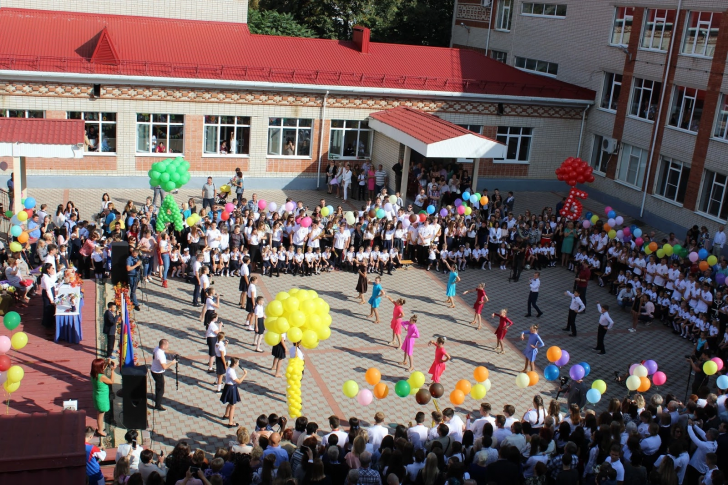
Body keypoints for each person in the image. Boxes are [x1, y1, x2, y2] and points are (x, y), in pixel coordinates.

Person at [90, 358, 115, 437]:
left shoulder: (93, 374)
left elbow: (102, 367)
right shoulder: (101, 377)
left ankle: (100, 428)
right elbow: (111, 381)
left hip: (97, 396)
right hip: (102, 398)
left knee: (99, 414)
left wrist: (107, 362)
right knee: (101, 415)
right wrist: (112, 371)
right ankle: (100, 431)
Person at [221, 357, 248, 428]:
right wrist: (245, 374)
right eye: (238, 362)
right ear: (235, 364)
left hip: (228, 387)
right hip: (231, 388)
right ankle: (230, 422)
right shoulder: (231, 372)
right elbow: (239, 381)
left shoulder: (229, 368)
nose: (239, 364)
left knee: (230, 402)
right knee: (233, 405)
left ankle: (226, 415)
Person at [151, 339, 177, 411]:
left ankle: (157, 398)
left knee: (158, 386)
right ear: (163, 346)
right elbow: (164, 367)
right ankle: (157, 405)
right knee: (161, 389)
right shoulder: (160, 355)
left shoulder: (157, 348)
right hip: (157, 373)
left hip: (154, 369)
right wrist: (172, 363)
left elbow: (166, 351)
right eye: (167, 345)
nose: (168, 346)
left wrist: (173, 352)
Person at [40, 263, 57, 329]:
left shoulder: (48, 276)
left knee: (51, 308)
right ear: (47, 269)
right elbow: (48, 289)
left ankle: (50, 322)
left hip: (50, 291)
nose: (53, 269)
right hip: (47, 293)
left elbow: (52, 283)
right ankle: (47, 324)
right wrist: (51, 299)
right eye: (52, 268)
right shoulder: (45, 277)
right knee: (48, 308)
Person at [126, 247, 142, 311]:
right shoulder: (129, 259)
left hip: (137, 275)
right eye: (134, 254)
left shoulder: (138, 258)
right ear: (132, 253)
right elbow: (128, 269)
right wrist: (136, 265)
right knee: (133, 290)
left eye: (136, 254)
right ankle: (136, 304)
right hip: (132, 276)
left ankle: (131, 301)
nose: (135, 255)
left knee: (134, 289)